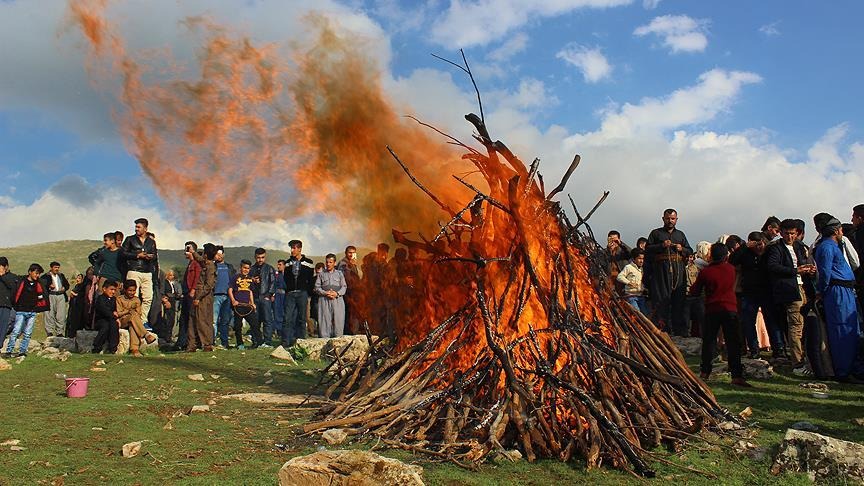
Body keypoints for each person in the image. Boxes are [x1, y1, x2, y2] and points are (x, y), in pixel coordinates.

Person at [690, 243, 751, 387]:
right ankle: (736, 375)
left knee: (709, 341)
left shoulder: (706, 272)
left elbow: (695, 291)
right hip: (730, 308)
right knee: (733, 342)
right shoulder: (730, 269)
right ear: (726, 255)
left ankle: (705, 371)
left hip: (712, 309)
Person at [813, 216, 862, 383]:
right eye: (841, 229)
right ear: (835, 231)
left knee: (851, 329)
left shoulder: (834, 246)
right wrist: (822, 290)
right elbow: (825, 273)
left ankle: (855, 369)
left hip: (846, 290)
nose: (842, 232)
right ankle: (843, 371)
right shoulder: (826, 247)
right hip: (837, 292)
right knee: (841, 330)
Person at [765, 219, 816, 365]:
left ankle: (804, 357)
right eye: (787, 233)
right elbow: (773, 266)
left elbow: (801, 262)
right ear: (781, 233)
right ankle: (797, 361)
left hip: (802, 287)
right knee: (796, 324)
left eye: (792, 234)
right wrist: (795, 271)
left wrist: (807, 269)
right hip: (789, 290)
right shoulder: (776, 248)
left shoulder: (799, 247)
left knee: (804, 323)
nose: (790, 237)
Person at [645, 209, 693, 336]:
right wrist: (661, 245)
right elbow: (648, 249)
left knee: (679, 301)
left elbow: (689, 250)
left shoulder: (681, 235)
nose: (670, 221)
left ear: (676, 219)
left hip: (678, 271)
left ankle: (679, 331)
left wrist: (681, 248)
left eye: (673, 219)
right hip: (661, 272)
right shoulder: (656, 233)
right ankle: (662, 330)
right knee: (661, 301)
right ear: (663, 219)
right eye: (668, 218)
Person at [730, 232, 773, 359]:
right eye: (756, 244)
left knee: (771, 321)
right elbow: (732, 261)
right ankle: (754, 349)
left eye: (760, 244)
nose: (759, 247)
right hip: (749, 291)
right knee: (748, 322)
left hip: (766, 290)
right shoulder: (745, 253)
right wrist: (744, 247)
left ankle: (779, 349)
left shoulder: (768, 253)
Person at [4, 264, 49, 357]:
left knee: (28, 333)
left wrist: (40, 307)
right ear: (30, 272)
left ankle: (22, 351)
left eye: (39, 274)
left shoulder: (39, 284)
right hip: (21, 311)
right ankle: (9, 351)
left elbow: (41, 297)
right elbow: (15, 294)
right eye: (36, 273)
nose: (37, 275)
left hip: (32, 312)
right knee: (16, 331)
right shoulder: (21, 282)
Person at [120, 218, 157, 323]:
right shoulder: (130, 239)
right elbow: (122, 253)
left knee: (148, 297)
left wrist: (151, 257)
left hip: (147, 272)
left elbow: (155, 256)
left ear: (145, 228)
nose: (136, 229)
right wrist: (137, 255)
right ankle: (131, 319)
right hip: (134, 270)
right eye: (136, 227)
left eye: (139, 227)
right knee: (133, 296)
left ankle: (143, 320)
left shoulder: (151, 242)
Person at [282, 240, 315, 348]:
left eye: (294, 248)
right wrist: (288, 290)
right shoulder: (287, 263)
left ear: (299, 249)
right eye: (291, 248)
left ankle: (301, 341)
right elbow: (285, 279)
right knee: (287, 318)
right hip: (290, 294)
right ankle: (286, 342)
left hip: (302, 293)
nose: (292, 250)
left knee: (302, 318)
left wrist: (308, 292)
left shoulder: (309, 262)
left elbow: (311, 280)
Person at [188, 243, 217, 352]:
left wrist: (198, 298)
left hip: (203, 296)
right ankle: (192, 344)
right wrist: (193, 252)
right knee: (194, 319)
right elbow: (199, 258)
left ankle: (206, 344)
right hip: (201, 294)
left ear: (206, 254)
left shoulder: (210, 267)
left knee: (202, 320)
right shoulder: (206, 262)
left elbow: (208, 285)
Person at [116, 280, 156, 357]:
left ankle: (134, 349)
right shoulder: (119, 299)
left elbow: (138, 314)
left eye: (134, 290)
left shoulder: (136, 300)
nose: (132, 292)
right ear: (125, 290)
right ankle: (146, 334)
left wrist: (132, 312)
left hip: (133, 321)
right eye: (130, 290)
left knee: (132, 326)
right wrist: (128, 311)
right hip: (122, 321)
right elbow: (118, 313)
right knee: (132, 316)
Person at [174, 241, 201, 351]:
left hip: (190, 293)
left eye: (187, 250)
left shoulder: (196, 263)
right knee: (184, 318)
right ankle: (182, 342)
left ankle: (189, 342)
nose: (185, 252)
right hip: (186, 293)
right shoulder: (190, 264)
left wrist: (193, 289)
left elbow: (197, 277)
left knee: (190, 318)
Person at [230, 259, 260, 349]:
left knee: (254, 324)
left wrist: (253, 303)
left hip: (248, 306)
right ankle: (240, 344)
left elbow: (250, 291)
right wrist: (233, 300)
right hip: (238, 306)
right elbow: (230, 289)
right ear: (241, 268)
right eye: (244, 268)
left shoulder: (250, 279)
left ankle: (258, 342)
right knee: (238, 326)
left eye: (248, 268)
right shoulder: (235, 277)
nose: (246, 270)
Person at [315, 254, 347, 338]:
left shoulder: (340, 274)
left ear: (335, 263)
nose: (328, 264)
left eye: (330, 262)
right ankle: (324, 343)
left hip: (337, 299)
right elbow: (317, 287)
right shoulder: (321, 274)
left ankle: (338, 343)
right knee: (324, 321)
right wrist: (325, 293)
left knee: (338, 321)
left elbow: (344, 286)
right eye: (327, 262)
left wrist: (337, 293)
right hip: (324, 299)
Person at [250, 248, 276, 347]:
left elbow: (273, 283)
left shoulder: (269, 268)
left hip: (265, 298)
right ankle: (256, 341)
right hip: (255, 298)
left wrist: (268, 296)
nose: (260, 260)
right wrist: (252, 280)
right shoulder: (251, 269)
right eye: (258, 258)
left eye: (262, 257)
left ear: (265, 257)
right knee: (255, 321)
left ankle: (267, 341)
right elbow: (247, 284)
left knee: (267, 320)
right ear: (255, 257)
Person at [212, 246, 236, 349]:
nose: (219, 256)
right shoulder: (212, 266)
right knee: (214, 320)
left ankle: (224, 342)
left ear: (223, 254)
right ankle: (212, 341)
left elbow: (234, 280)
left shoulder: (229, 267)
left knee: (225, 320)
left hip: (227, 297)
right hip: (215, 296)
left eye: (220, 254)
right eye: (217, 254)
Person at [40, 261, 70, 337]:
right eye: (55, 267)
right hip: (50, 295)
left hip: (60, 295)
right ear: (51, 268)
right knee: (49, 314)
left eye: (58, 267)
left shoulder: (61, 275)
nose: (57, 269)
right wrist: (49, 286)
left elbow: (67, 285)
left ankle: (59, 332)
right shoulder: (45, 276)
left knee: (61, 315)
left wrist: (64, 288)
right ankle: (49, 331)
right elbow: (41, 285)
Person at [337, 246, 361, 334]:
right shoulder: (343, 263)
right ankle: (349, 333)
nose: (351, 254)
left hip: (354, 293)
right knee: (348, 313)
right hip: (347, 292)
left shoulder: (353, 263)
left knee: (353, 313)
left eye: (353, 252)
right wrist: (351, 265)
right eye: (349, 252)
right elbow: (344, 277)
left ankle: (353, 332)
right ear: (346, 253)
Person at [91, 280, 120, 354]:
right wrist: (114, 316)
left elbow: (114, 311)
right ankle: (97, 346)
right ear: (104, 289)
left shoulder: (113, 299)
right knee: (106, 326)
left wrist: (114, 316)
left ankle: (113, 348)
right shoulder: (100, 299)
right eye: (111, 289)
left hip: (110, 319)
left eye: (114, 290)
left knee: (114, 325)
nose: (113, 292)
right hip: (100, 321)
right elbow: (105, 311)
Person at [617, 248, 648, 314]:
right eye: (639, 258)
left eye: (643, 259)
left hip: (640, 296)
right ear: (634, 259)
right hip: (631, 296)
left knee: (645, 313)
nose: (641, 261)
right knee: (637, 313)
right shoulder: (629, 267)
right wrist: (629, 282)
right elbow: (619, 277)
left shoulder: (642, 269)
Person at [0, 257, 18, 349]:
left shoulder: (12, 277)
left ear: (6, 266)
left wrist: (2, 276)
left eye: (2, 266)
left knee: (3, 327)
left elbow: (13, 287)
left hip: (6, 305)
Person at [160, 270, 182, 344]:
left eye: (173, 275)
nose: (172, 277)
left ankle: (169, 336)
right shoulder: (165, 282)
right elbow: (163, 291)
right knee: (168, 319)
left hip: (173, 300)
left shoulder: (172, 284)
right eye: (170, 275)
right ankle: (166, 337)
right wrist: (165, 300)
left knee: (172, 319)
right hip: (168, 300)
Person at [274, 259, 287, 339]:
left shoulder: (288, 275)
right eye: (278, 264)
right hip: (278, 295)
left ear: (284, 265)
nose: (278, 266)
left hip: (286, 295)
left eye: (280, 265)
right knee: (277, 313)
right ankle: (279, 331)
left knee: (285, 313)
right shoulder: (276, 275)